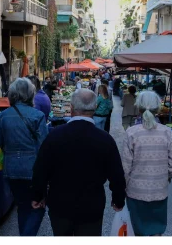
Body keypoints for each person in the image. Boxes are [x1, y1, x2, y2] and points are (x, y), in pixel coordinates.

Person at [31, 89, 126, 236]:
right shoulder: (105, 139)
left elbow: (41, 169)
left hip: (60, 204)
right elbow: (117, 174)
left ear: (71, 107)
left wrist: (38, 195)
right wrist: (118, 199)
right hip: (92, 205)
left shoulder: (54, 136)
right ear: (94, 108)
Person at [0, 78, 48, 236]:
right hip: (32, 170)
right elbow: (45, 148)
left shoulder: (3, 116)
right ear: (30, 94)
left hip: (11, 170)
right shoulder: (38, 116)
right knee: (38, 207)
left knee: (22, 206)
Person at [122, 91, 172, 236]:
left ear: (139, 108)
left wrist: (125, 185)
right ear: (157, 108)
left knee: (137, 230)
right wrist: (164, 177)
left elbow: (125, 167)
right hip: (159, 191)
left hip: (135, 192)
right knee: (156, 231)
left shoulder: (131, 132)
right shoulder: (167, 132)